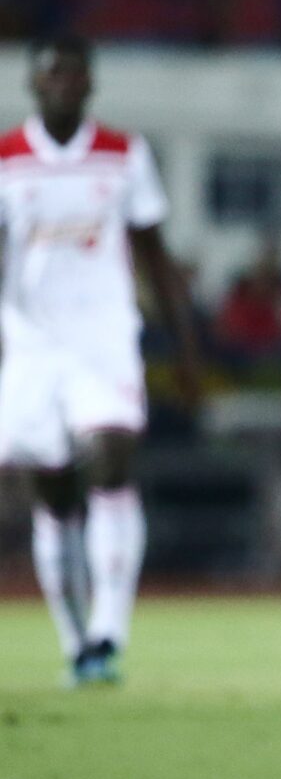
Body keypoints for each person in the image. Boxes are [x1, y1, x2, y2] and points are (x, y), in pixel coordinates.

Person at [0, 36, 200, 687]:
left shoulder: (123, 153)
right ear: (34, 83)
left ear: (90, 83)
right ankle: (76, 642)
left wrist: (185, 349)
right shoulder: (7, 160)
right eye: (52, 74)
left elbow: (154, 254)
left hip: (104, 338)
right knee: (53, 490)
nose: (64, 83)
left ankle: (110, 630)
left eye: (74, 74)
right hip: (31, 346)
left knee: (112, 460)